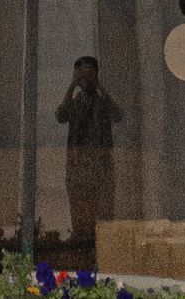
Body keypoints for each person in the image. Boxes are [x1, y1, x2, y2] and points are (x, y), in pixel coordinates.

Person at [54, 55, 122, 260]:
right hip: (78, 168)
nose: (87, 78)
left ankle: (105, 255)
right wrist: (73, 84)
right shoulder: (75, 103)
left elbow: (118, 115)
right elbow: (60, 116)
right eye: (82, 73)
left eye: (90, 73)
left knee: (103, 213)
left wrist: (99, 86)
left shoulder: (103, 102)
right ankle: (81, 254)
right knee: (79, 212)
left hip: (101, 168)